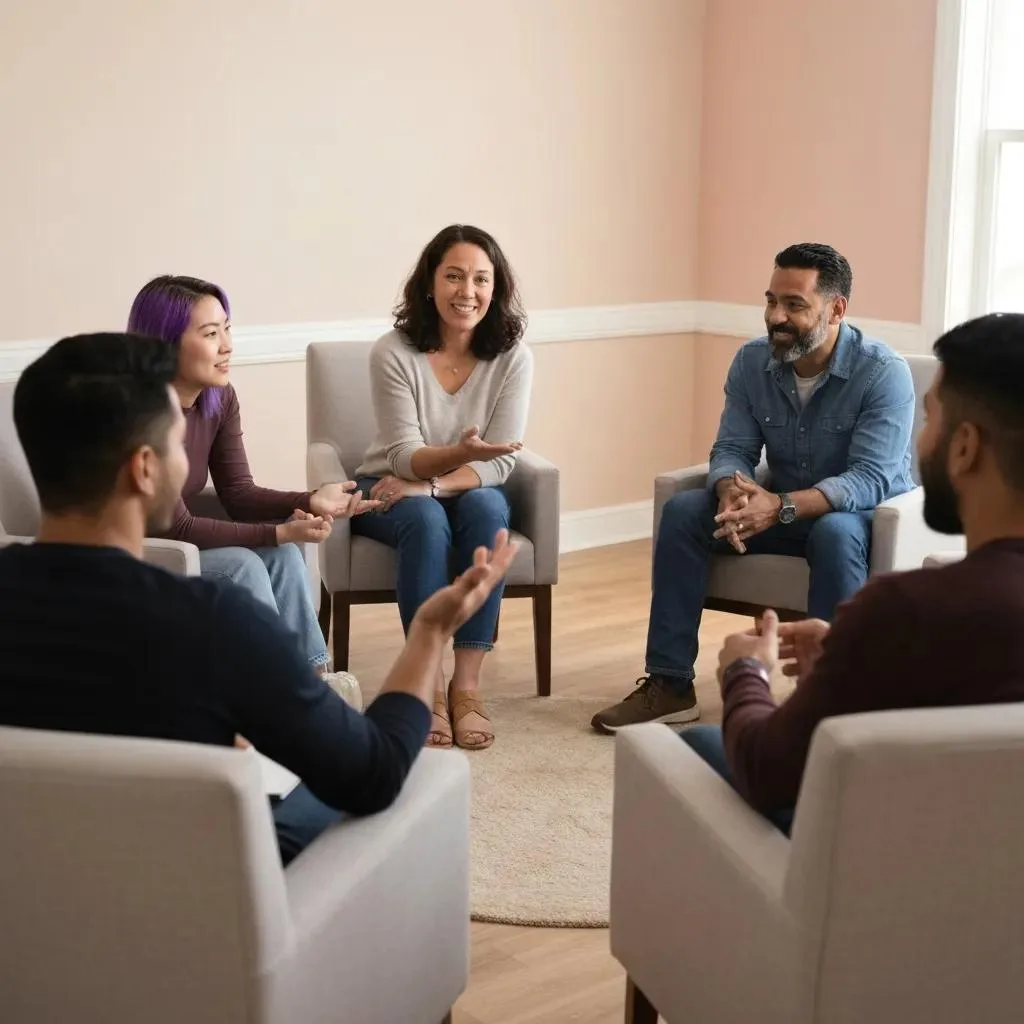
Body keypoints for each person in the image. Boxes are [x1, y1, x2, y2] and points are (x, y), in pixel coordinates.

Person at [0, 332, 519, 865]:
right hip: (190, 906)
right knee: (370, 778)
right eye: (176, 442)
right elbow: (375, 773)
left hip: (29, 900)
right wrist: (430, 632)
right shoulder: (212, 623)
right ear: (145, 469)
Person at [686, 311, 1024, 831]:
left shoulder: (904, 611)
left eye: (930, 419)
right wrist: (854, 654)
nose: (919, 441)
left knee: (692, 749)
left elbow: (767, 770)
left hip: (896, 871)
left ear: (964, 448)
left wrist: (745, 672)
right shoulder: (903, 624)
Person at [592, 242, 916, 733]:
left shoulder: (882, 372)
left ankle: (826, 699)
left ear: (837, 310)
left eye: (794, 305)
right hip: (779, 509)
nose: (776, 317)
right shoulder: (750, 363)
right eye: (771, 301)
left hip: (864, 519)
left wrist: (779, 507)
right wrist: (729, 490)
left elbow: (870, 478)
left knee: (835, 532)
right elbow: (733, 448)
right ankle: (670, 683)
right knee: (684, 512)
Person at [128, 275, 376, 675]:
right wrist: (278, 531)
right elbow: (176, 528)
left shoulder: (219, 398)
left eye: (227, 329)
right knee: (244, 564)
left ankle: (313, 681)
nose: (227, 345)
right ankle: (273, 692)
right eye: (211, 333)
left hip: (176, 546)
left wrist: (310, 500)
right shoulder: (138, 412)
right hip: (128, 554)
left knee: (282, 557)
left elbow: (238, 494)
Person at [351, 224, 533, 751]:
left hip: (443, 488)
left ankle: (467, 686)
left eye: (480, 279)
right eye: (453, 276)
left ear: (495, 289)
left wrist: (431, 486)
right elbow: (404, 457)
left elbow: (499, 464)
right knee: (428, 522)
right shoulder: (393, 352)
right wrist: (454, 459)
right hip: (386, 486)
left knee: (485, 507)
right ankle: (426, 683)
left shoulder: (513, 356)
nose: (467, 291)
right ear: (429, 284)